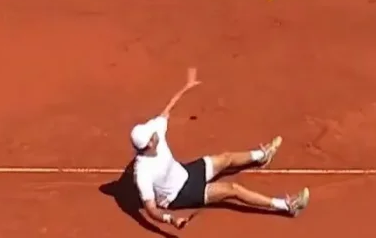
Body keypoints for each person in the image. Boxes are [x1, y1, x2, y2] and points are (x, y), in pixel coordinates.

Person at [130, 68, 310, 229]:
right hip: (180, 195)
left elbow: (165, 112)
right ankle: (287, 206)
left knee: (226, 158)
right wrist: (172, 219)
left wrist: (187, 86)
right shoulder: (143, 173)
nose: (154, 133)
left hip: (186, 172)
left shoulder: (155, 134)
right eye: (151, 135)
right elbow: (151, 209)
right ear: (149, 145)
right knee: (233, 189)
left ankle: (262, 155)